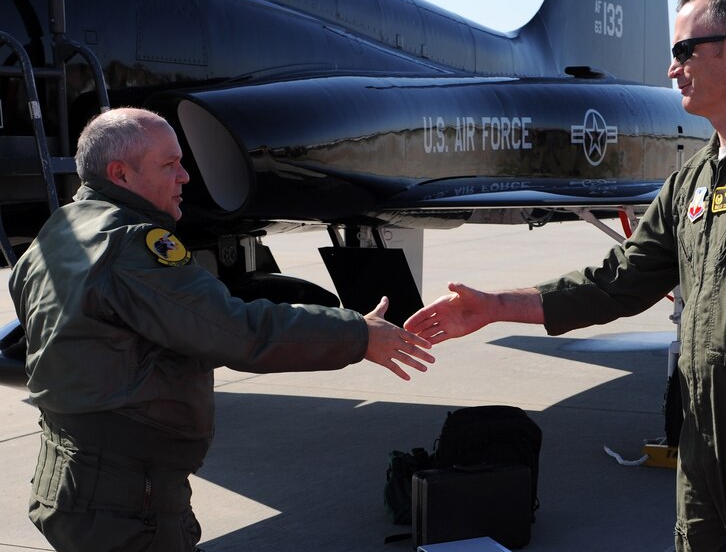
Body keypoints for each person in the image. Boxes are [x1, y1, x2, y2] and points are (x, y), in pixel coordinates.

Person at [405, 0, 726, 552]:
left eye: (684, 51)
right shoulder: (691, 180)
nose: (672, 68)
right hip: (701, 440)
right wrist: (494, 308)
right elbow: (616, 283)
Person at [9, 107, 435, 552]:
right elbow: (237, 332)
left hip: (77, 479)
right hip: (124, 500)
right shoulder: (132, 245)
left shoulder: (59, 230)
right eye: (169, 165)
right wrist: (358, 334)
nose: (185, 177)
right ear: (121, 174)